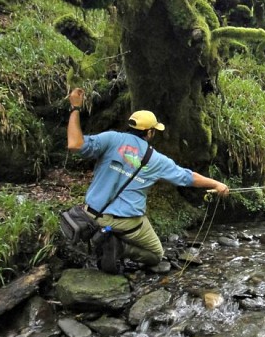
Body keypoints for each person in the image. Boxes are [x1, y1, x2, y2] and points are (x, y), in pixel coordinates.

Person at [66, 87, 229, 272]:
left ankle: (107, 239)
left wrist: (75, 108)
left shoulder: (110, 139)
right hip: (126, 221)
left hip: (92, 215)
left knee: (116, 226)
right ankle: (119, 247)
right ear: (150, 132)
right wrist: (216, 184)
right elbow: (187, 177)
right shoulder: (156, 159)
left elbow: (74, 144)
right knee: (155, 254)